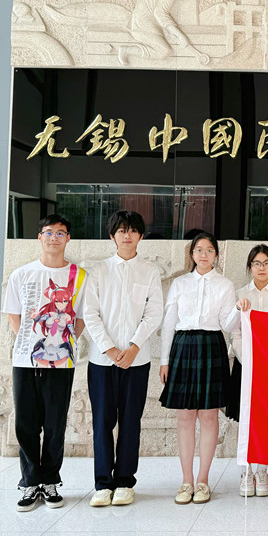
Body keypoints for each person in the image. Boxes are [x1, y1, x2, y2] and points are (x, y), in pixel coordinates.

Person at [3, 214, 87, 512]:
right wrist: (29, 341)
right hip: (25, 360)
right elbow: (13, 314)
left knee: (55, 423)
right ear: (39, 237)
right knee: (26, 423)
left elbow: (81, 318)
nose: (54, 238)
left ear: (68, 238)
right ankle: (29, 482)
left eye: (60, 233)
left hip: (61, 362)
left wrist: (63, 341)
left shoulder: (79, 276)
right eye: (48, 232)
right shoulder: (22, 274)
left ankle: (50, 480)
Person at [83, 211, 163, 507]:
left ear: (141, 236)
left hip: (136, 360)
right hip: (101, 361)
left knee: (131, 421)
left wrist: (132, 347)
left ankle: (125, 481)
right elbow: (90, 313)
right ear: (112, 236)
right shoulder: (98, 271)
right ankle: (103, 483)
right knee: (102, 421)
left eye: (132, 230)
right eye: (121, 230)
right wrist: (109, 349)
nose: (126, 235)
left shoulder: (150, 271)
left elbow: (154, 313)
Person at [159, 232, 237, 505]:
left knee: (209, 416)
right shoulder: (179, 284)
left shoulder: (226, 285)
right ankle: (186, 481)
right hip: (182, 346)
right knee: (184, 417)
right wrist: (164, 360)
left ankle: (203, 480)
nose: (204, 255)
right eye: (199, 250)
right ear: (191, 254)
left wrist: (240, 311)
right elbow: (169, 322)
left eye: (209, 250)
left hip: (211, 345)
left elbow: (228, 324)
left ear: (216, 255)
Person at [232, 244, 268, 497]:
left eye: (266, 263)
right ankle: (246, 470)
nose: (262, 268)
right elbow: (234, 331)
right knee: (245, 417)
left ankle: (263, 470)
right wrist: (247, 357)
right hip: (246, 364)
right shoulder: (240, 293)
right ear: (250, 267)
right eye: (257, 263)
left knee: (267, 418)